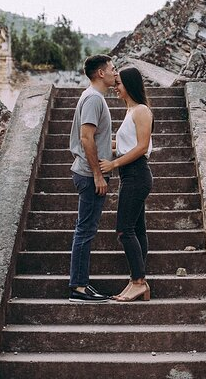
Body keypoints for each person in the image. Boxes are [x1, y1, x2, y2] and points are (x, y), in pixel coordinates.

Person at [99, 67, 153, 302]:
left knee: (124, 229)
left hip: (137, 174)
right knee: (137, 229)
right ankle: (138, 281)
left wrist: (113, 165)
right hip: (130, 175)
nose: (115, 87)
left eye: (119, 83)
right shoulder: (130, 110)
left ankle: (138, 282)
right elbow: (125, 144)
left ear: (129, 85)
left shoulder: (141, 110)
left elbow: (141, 147)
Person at [68, 54, 118, 303]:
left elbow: (96, 139)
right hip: (89, 174)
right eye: (112, 68)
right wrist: (98, 174)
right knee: (85, 230)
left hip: (90, 172)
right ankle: (78, 287)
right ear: (100, 73)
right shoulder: (93, 99)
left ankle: (81, 284)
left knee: (86, 229)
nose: (115, 73)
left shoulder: (94, 98)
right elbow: (86, 137)